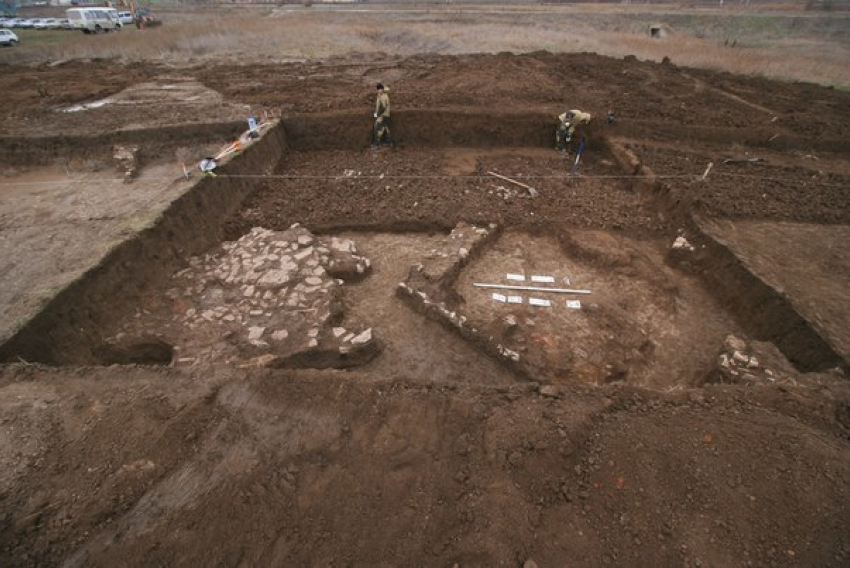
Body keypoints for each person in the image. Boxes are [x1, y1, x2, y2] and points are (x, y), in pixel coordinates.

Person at [372, 83, 393, 148]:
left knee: (377, 127)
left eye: (380, 89)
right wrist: (376, 113)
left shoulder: (384, 96)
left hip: (383, 115)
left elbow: (383, 107)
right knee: (386, 129)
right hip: (384, 115)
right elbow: (378, 106)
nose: (379, 90)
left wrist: (377, 115)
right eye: (378, 89)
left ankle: (376, 144)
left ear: (382, 89)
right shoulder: (380, 95)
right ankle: (389, 143)